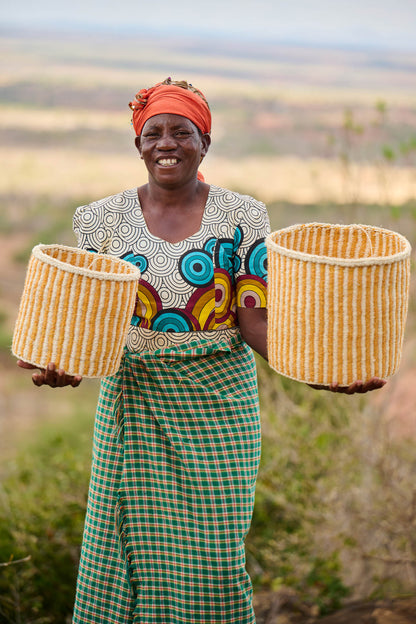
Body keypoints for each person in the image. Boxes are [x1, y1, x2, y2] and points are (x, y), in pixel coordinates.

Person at [17, 78, 385, 623]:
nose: (167, 143)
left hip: (219, 406)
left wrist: (317, 374)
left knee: (214, 554)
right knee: (128, 551)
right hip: (134, 403)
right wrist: (62, 368)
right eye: (154, 133)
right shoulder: (101, 221)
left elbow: (253, 318)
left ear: (204, 142)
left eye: (181, 132)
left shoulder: (243, 216)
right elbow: (87, 323)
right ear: (138, 144)